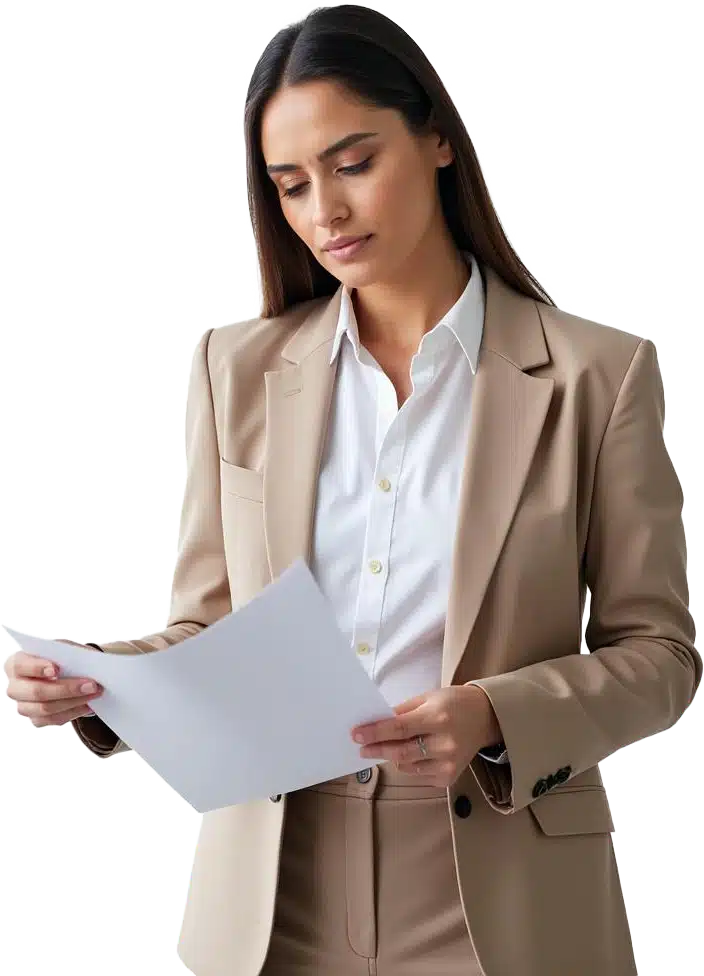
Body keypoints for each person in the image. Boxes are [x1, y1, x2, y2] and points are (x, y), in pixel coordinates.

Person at [4, 3, 700, 975]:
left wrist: (495, 714)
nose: (322, 211)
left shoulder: (595, 376)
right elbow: (210, 623)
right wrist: (104, 677)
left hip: (496, 890)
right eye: (289, 185)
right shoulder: (234, 369)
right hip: (274, 887)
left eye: (352, 163)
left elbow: (660, 654)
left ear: (437, 139)